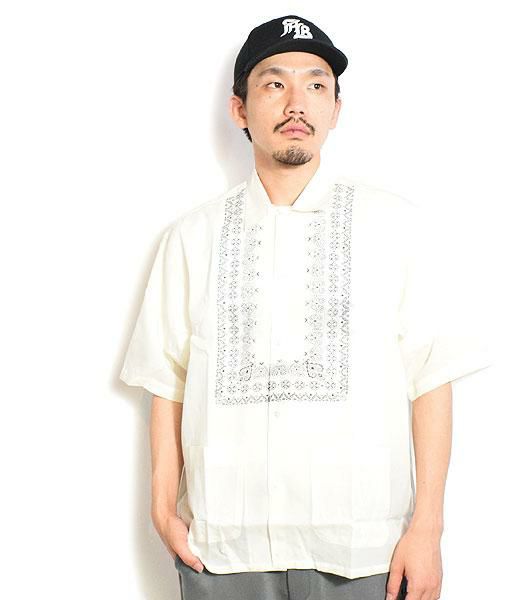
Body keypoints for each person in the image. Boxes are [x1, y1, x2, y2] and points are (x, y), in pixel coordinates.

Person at [119, 14, 491, 600]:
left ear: (336, 109)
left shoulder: (394, 226)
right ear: (240, 108)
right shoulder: (192, 238)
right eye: (275, 83)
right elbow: (167, 381)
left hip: (364, 549)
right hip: (224, 549)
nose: (297, 102)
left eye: (316, 84)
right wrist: (162, 509)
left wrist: (428, 528)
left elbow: (432, 377)